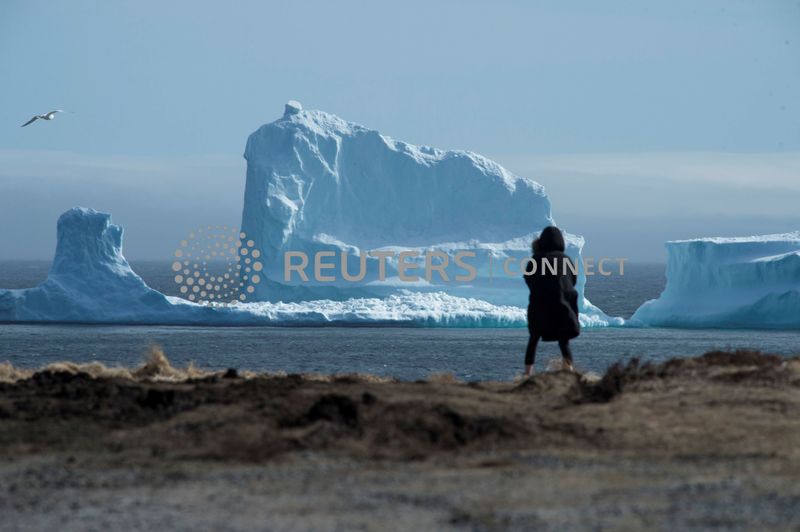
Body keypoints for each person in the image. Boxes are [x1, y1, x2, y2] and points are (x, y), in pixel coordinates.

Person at [523, 226, 580, 376]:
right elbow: (572, 280)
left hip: (540, 306)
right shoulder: (566, 260)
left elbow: (528, 279)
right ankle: (570, 371)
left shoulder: (536, 259)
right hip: (563, 305)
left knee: (533, 338)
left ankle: (527, 373)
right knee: (563, 339)